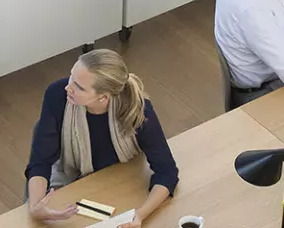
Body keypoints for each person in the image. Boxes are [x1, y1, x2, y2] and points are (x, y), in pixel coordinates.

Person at [24, 49, 179, 228]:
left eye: (79, 87)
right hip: (68, 173)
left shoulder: (138, 112)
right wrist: (35, 206)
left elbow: (167, 172)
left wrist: (140, 215)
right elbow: (40, 161)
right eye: (71, 77)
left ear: (103, 97)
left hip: (118, 178)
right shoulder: (57, 94)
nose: (68, 87)